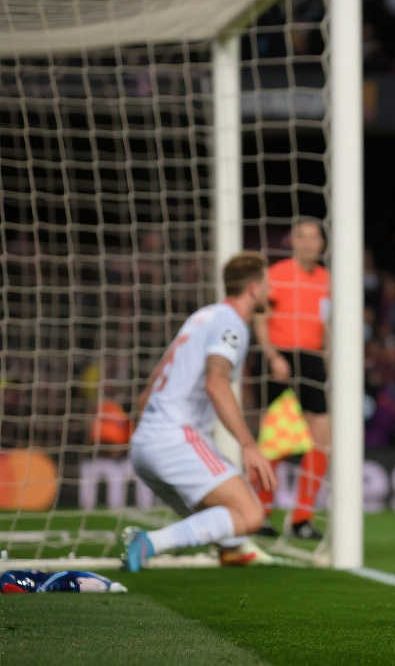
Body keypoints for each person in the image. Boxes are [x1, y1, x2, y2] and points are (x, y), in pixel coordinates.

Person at [122, 252, 279, 571]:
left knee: (223, 519)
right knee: (250, 515)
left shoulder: (202, 316)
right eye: (266, 284)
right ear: (253, 288)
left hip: (145, 444)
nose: (269, 291)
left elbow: (149, 388)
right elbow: (216, 383)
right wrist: (248, 445)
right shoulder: (231, 324)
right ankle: (148, 543)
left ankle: (233, 550)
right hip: (175, 437)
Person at [253, 218, 331, 540]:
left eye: (314, 237)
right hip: (281, 359)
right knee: (275, 440)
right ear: (292, 241)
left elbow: (328, 325)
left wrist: (330, 360)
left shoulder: (327, 280)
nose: (309, 243)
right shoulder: (277, 274)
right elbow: (260, 317)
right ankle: (260, 513)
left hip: (313, 360)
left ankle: (302, 518)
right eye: (302, 236)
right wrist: (271, 355)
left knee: (322, 440)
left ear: (322, 243)